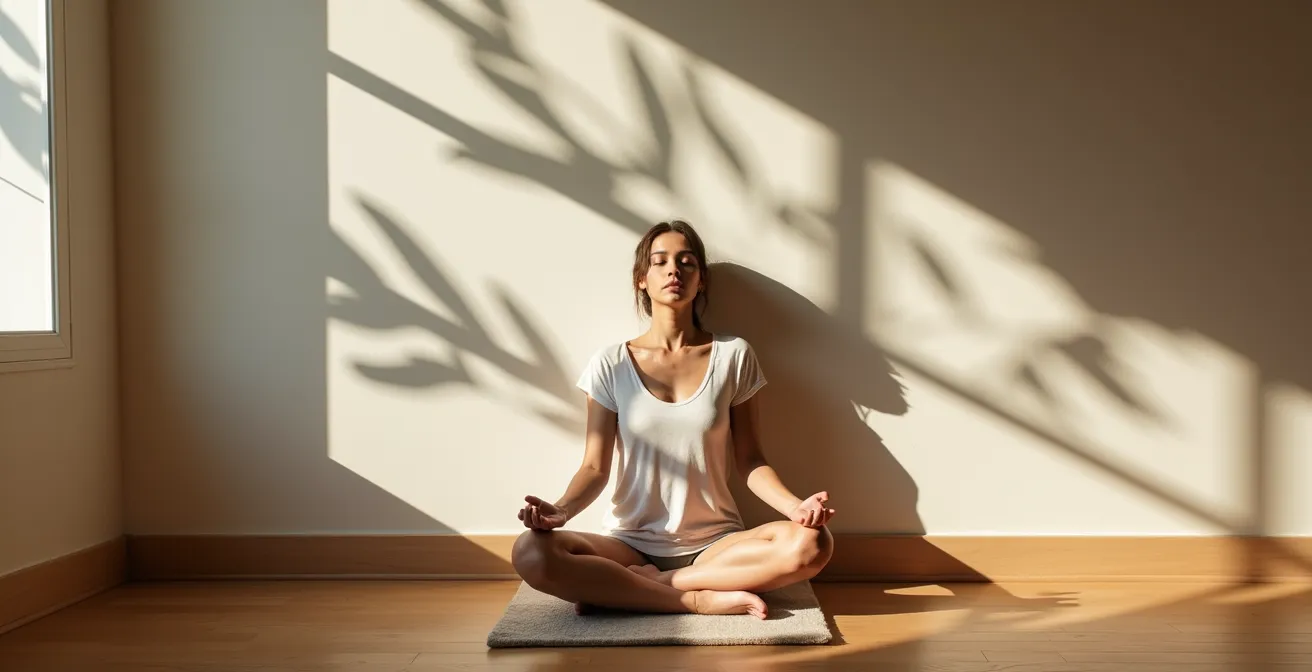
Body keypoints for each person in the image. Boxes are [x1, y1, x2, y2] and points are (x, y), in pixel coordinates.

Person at [511, 220, 835, 619]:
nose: (674, 271)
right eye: (660, 261)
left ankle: (647, 587)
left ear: (701, 281)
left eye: (687, 262)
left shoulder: (733, 355)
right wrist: (559, 512)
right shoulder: (611, 362)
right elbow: (595, 466)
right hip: (629, 544)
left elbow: (750, 460)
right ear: (642, 280)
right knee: (530, 551)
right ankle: (696, 599)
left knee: (812, 545)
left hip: (717, 545)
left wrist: (795, 508)